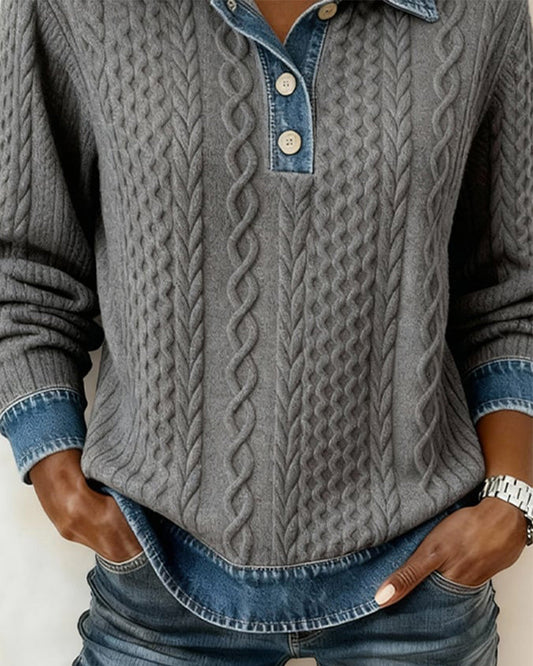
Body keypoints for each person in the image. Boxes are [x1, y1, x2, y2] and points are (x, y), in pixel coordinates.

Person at [1, 0, 532, 664]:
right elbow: (24, 265)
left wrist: (512, 499)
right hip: (158, 573)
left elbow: (509, 286)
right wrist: (54, 468)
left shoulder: (479, 12)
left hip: (422, 580)